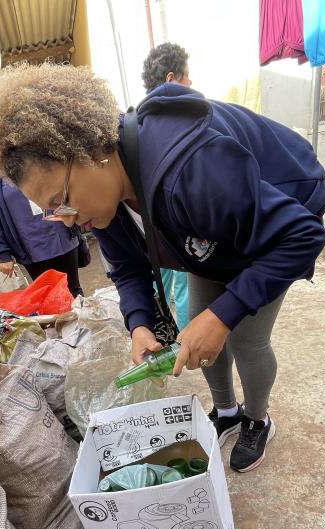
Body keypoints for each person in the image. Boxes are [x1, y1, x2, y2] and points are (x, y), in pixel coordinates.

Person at [0, 64, 325, 472]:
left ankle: (257, 419)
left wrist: (225, 313)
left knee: (245, 337)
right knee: (198, 325)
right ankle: (227, 410)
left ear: (91, 152)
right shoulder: (104, 205)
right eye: (53, 213)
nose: (67, 219)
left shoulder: (191, 168)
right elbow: (126, 268)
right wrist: (139, 322)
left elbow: (300, 237)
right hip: (211, 236)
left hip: (274, 229)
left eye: (61, 200)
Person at [141, 42, 193, 329]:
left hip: (153, 230)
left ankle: (164, 333)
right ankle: (187, 338)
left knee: (159, 281)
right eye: (187, 77)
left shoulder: (138, 126)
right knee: (185, 284)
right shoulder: (181, 125)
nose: (191, 83)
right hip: (180, 226)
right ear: (171, 80)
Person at [0, 162, 84, 297]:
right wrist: (3, 254)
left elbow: (63, 184)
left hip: (61, 235)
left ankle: (83, 317)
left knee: (74, 291)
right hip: (30, 248)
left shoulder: (31, 150)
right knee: (49, 297)